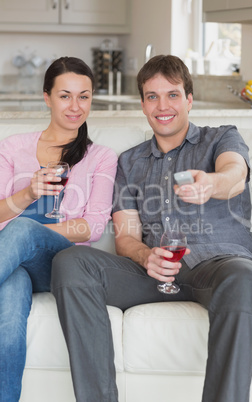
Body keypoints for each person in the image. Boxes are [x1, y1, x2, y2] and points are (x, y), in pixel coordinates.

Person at [51, 55, 252, 402]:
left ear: (189, 99)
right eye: (152, 96)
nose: (162, 106)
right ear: (142, 104)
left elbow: (234, 176)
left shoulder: (221, 138)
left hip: (220, 266)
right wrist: (145, 255)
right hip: (155, 274)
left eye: (173, 95)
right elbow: (126, 237)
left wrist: (210, 183)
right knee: (72, 262)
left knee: (244, 277)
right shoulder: (129, 162)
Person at [0, 56, 117, 402]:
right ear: (47, 97)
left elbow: (94, 226)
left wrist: (38, 234)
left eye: (84, 96)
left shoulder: (100, 156)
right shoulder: (12, 147)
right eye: (65, 95)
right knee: (6, 331)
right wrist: (28, 194)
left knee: (22, 232)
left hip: (62, 264)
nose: (75, 106)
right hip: (13, 263)